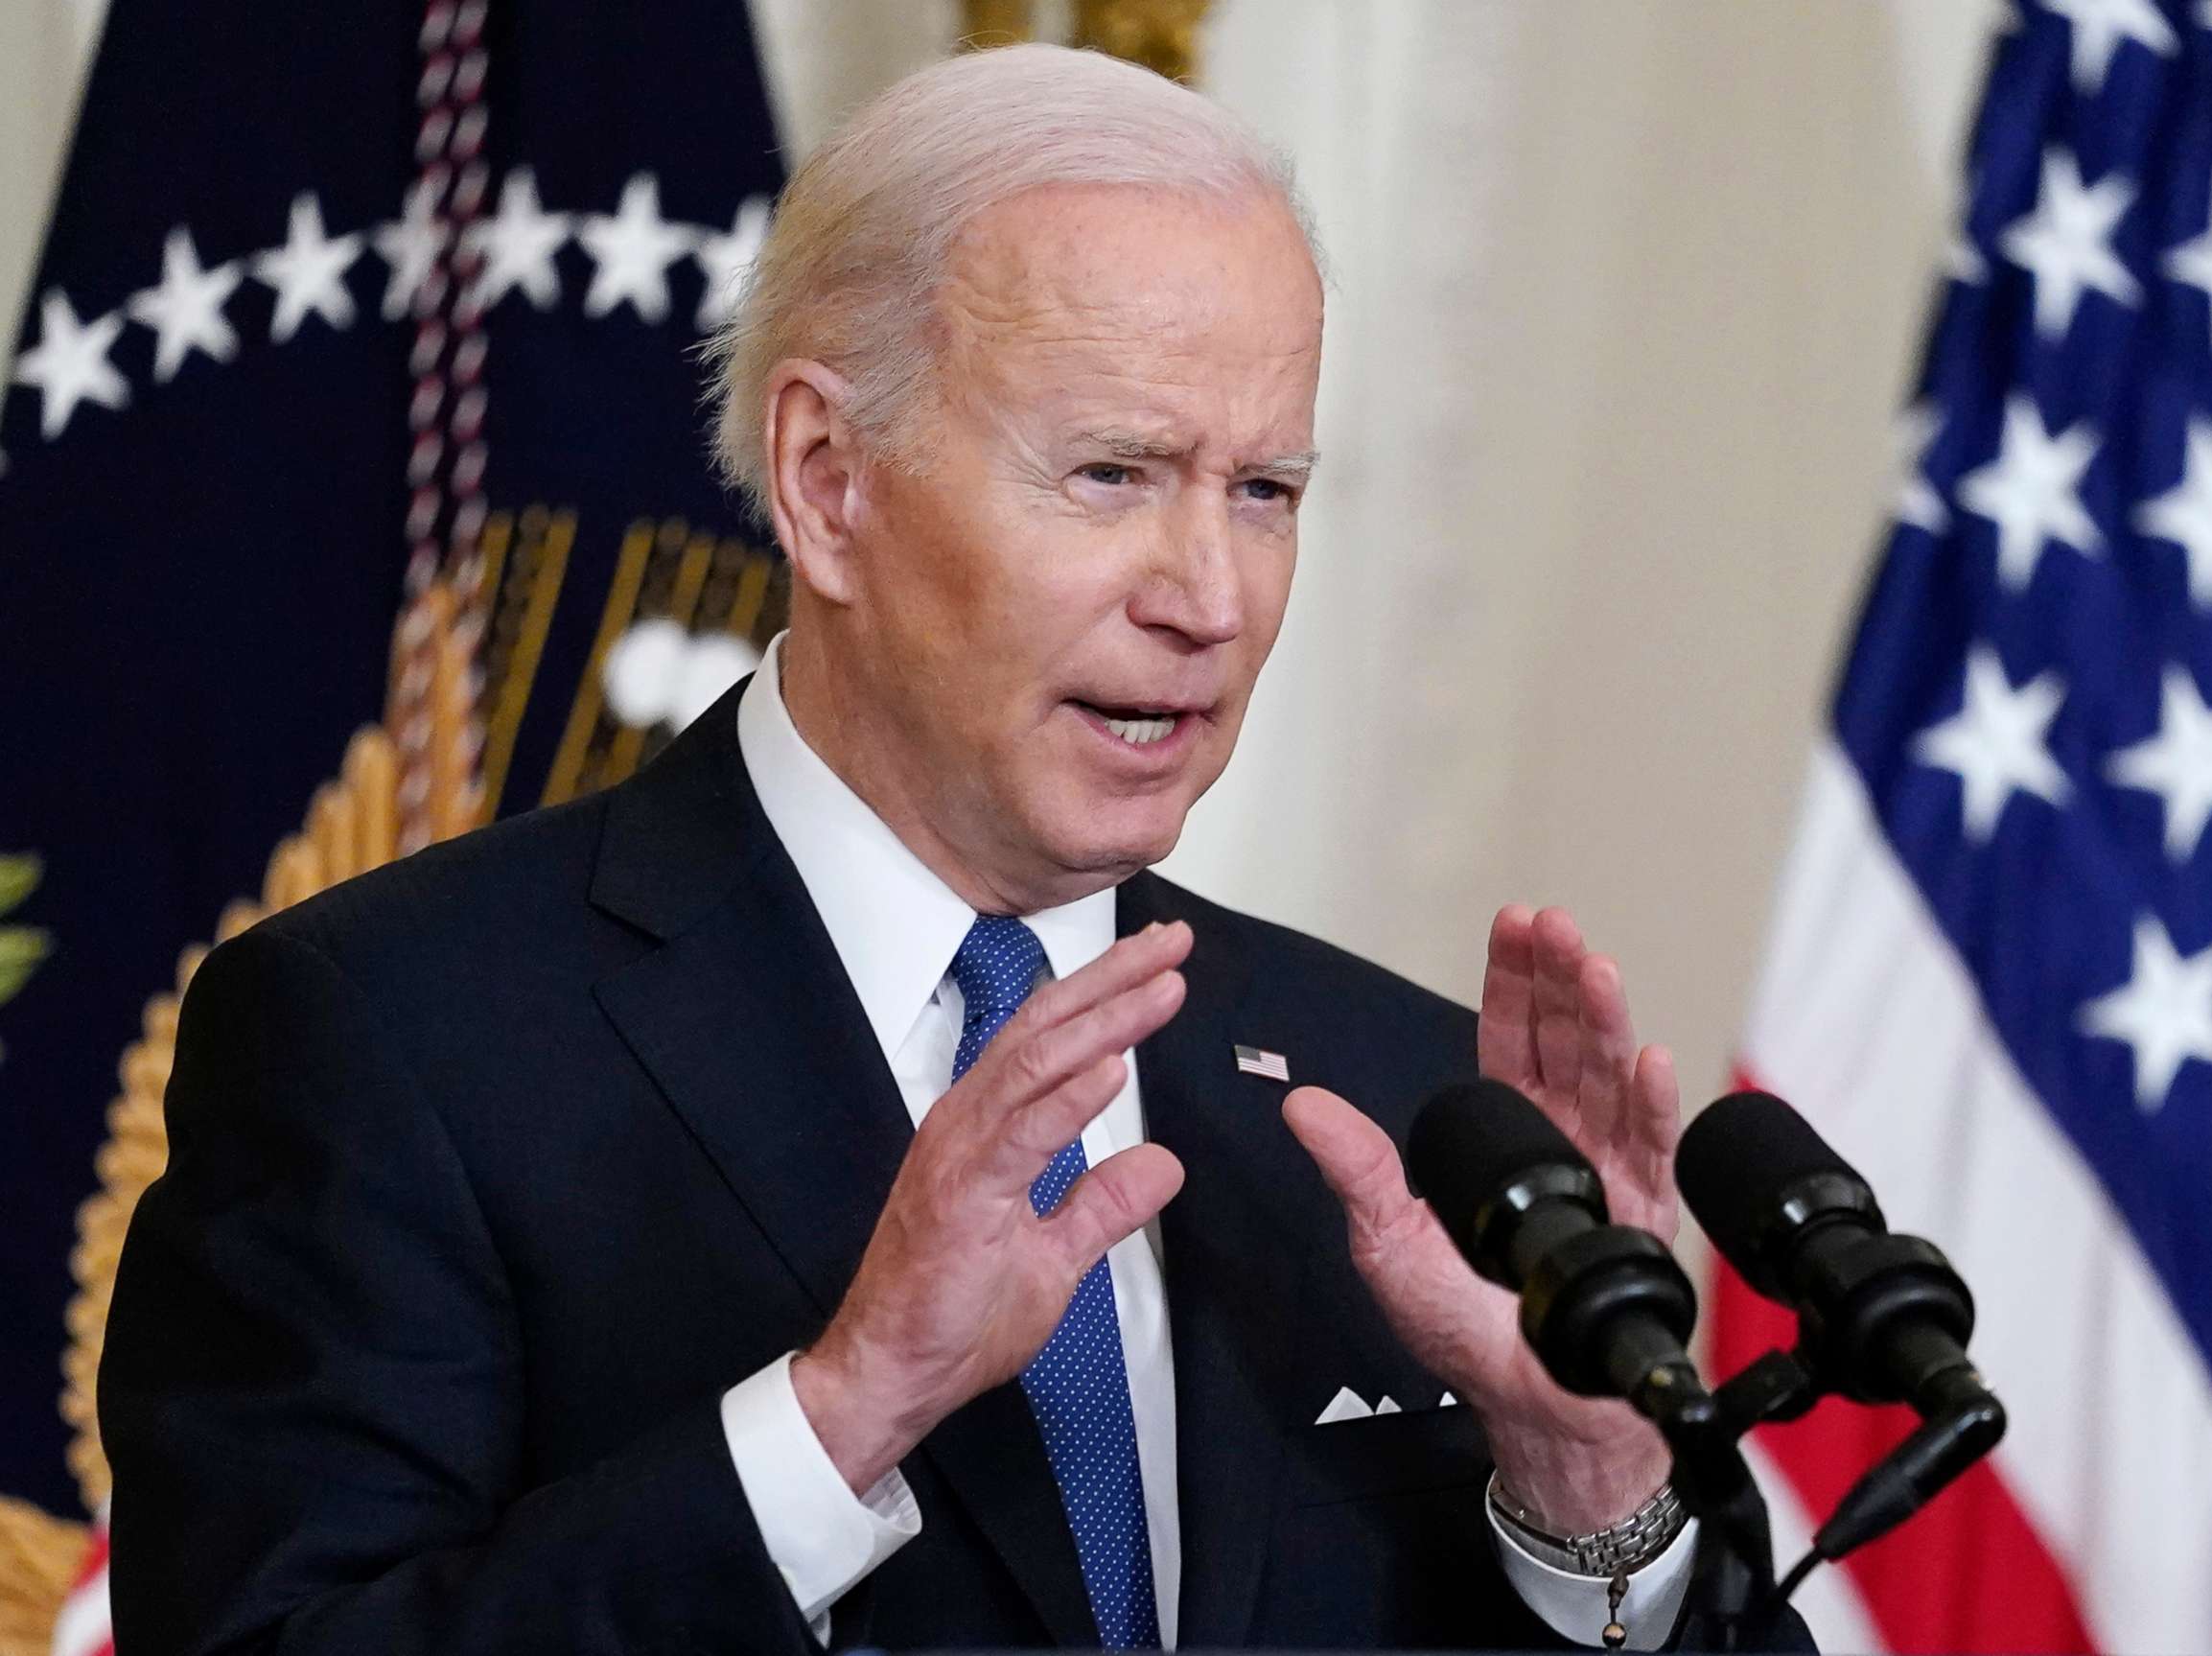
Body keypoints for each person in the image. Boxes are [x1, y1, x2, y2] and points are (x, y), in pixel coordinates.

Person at [101, 44, 1809, 1655]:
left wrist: (1594, 1491)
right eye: (1113, 472)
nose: (1207, 600)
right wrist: (837, 1414)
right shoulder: (397, 1044)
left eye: (1265, 491)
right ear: (828, 482)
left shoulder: (1397, 1103)